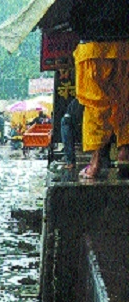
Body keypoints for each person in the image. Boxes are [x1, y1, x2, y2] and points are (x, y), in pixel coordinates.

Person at [69, 0, 129, 179]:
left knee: (96, 105)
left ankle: (95, 163)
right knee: (125, 102)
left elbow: (75, 16)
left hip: (93, 47)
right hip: (125, 46)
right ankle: (124, 152)